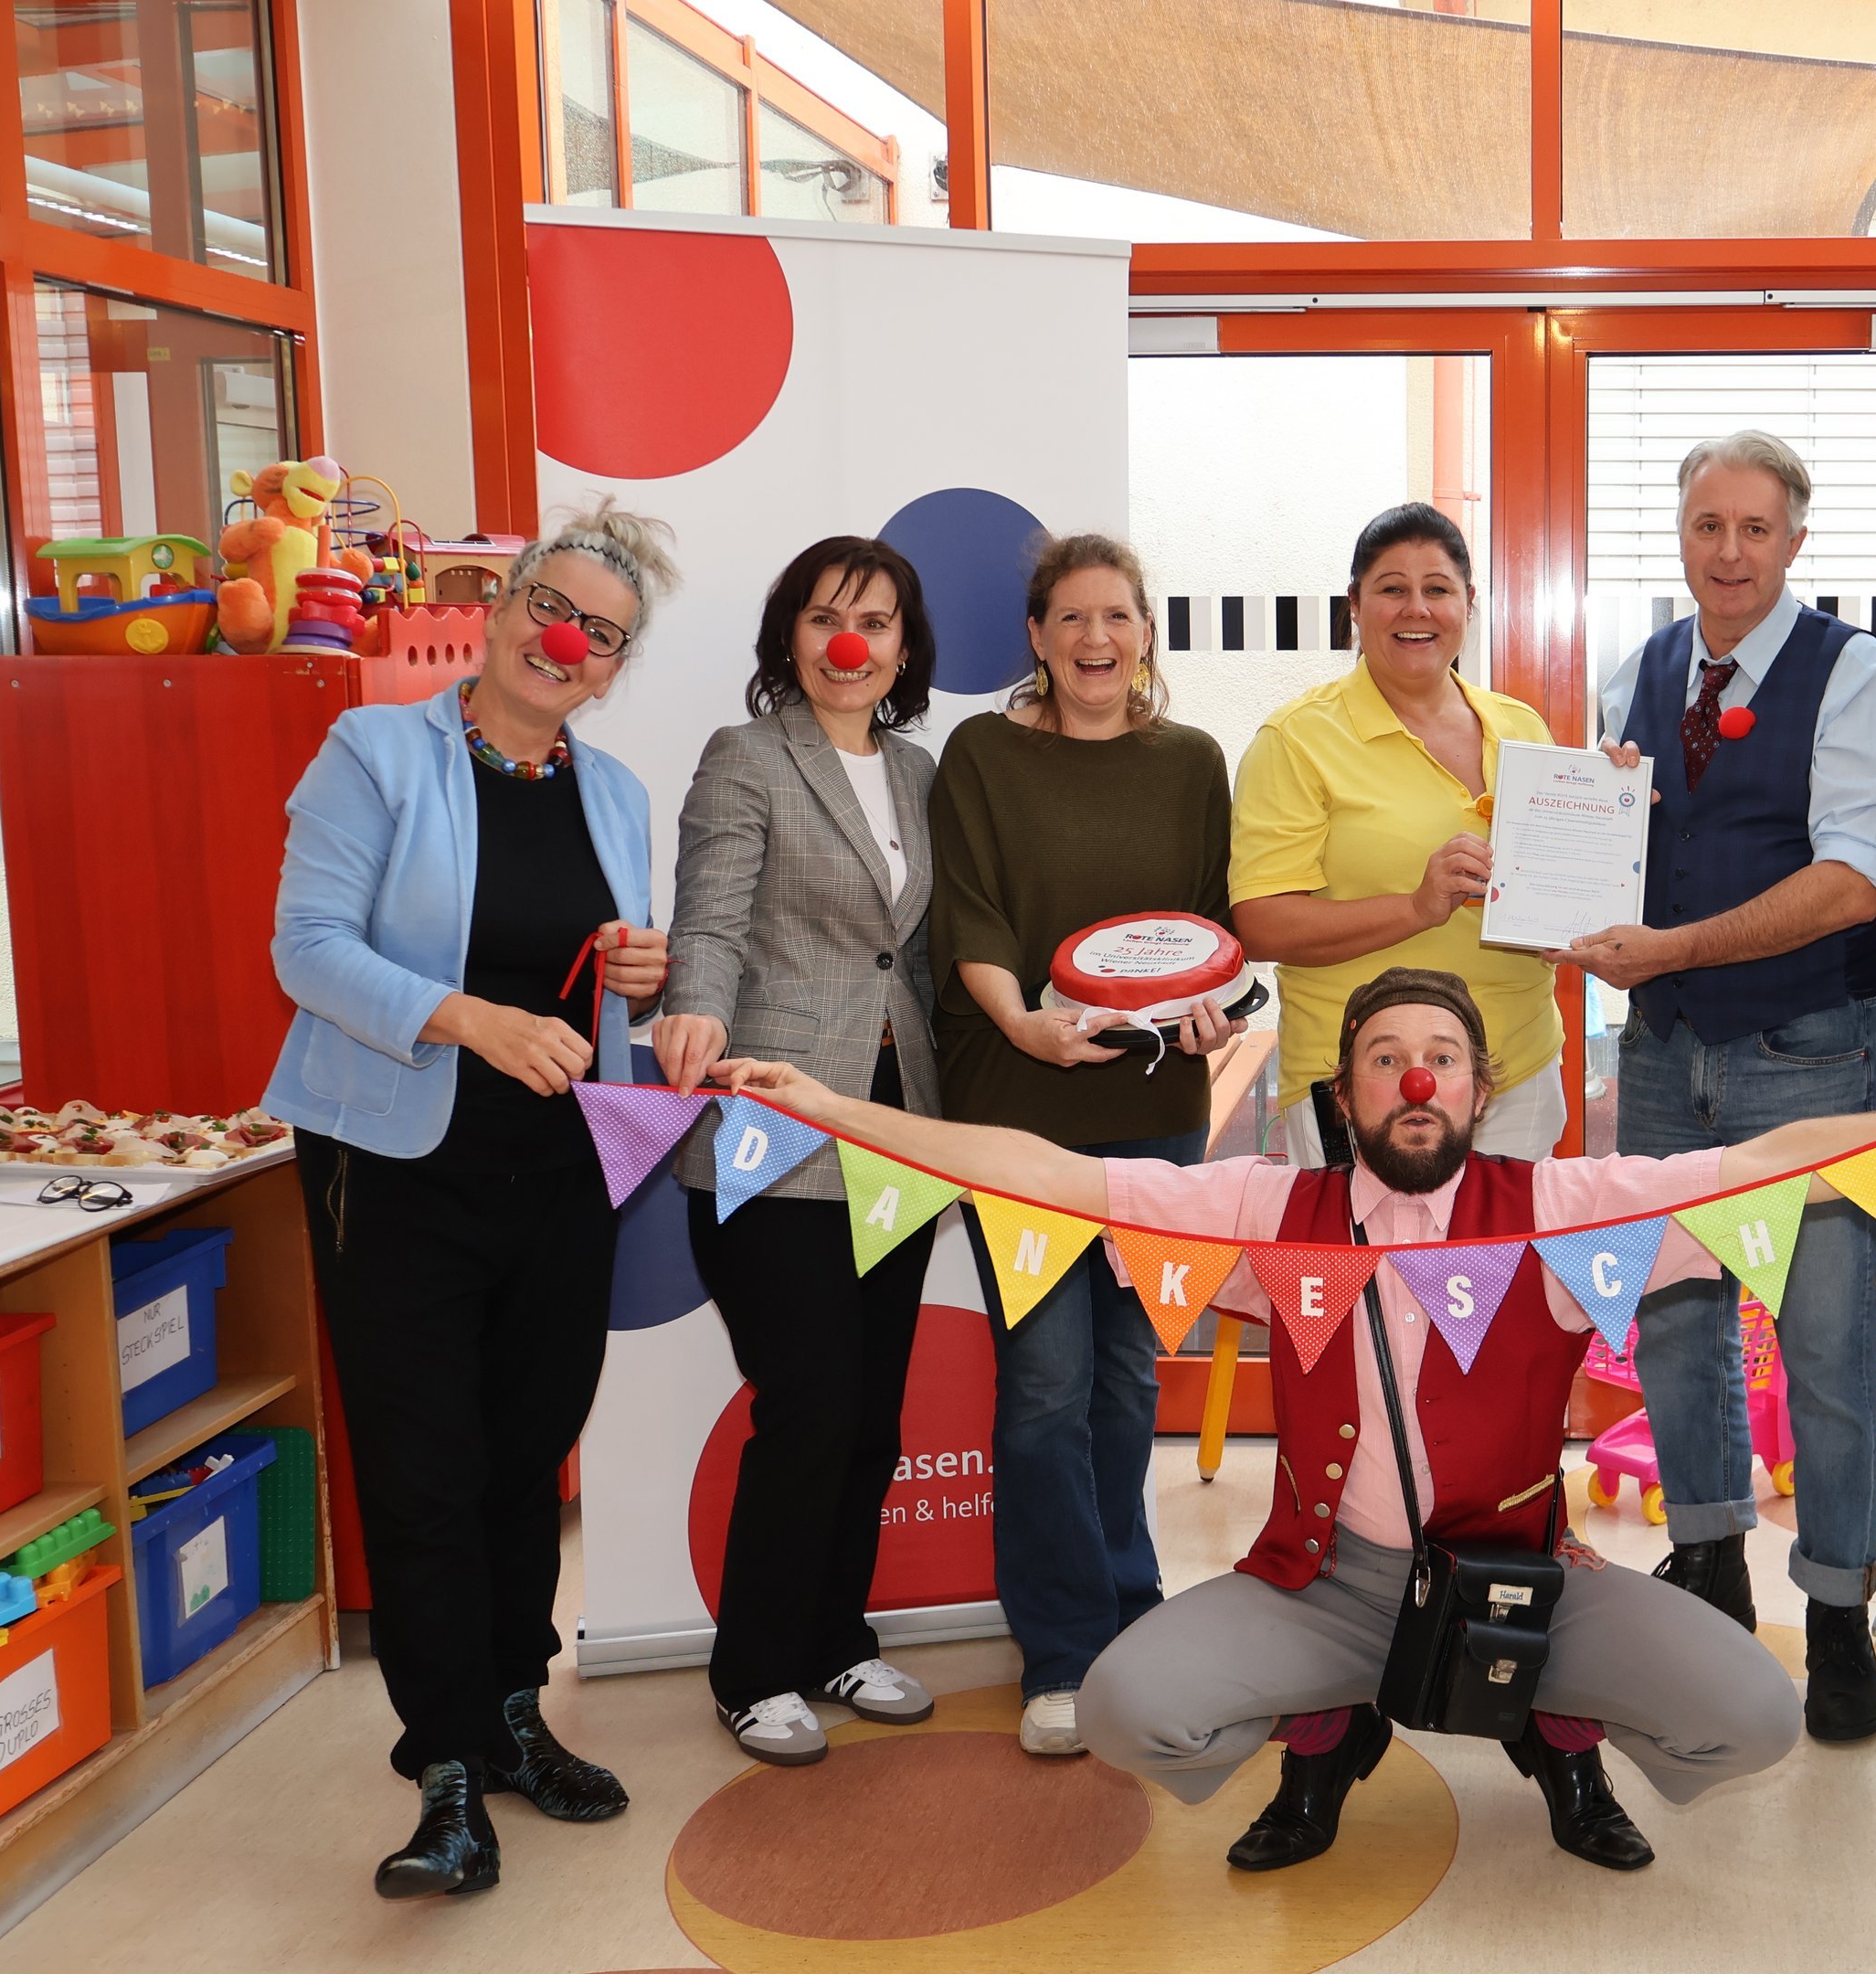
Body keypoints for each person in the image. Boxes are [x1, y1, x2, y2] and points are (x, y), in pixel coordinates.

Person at [710, 968, 1876, 1873]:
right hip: (1327, 1581)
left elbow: (1774, 1159)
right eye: (1386, 1059)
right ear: (1345, 1095)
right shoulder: (1269, 1208)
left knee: (1750, 1719)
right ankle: (1333, 1727)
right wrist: (837, 1109)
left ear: (1483, 1090)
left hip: (1524, 1578)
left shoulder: (1563, 1204)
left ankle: (1549, 1726)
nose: (1417, 1081)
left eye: (1442, 1056)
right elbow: (1043, 1171)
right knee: (1131, 1710)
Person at [265, 499, 676, 1898]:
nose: (568, 643)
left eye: (601, 635)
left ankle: (512, 1714)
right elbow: (308, 950)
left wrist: (639, 982)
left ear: (613, 670)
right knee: (426, 1470)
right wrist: (466, 1019)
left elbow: (609, 986)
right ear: (498, 615)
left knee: (522, 1458)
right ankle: (445, 1770)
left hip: (561, 1176)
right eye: (550, 609)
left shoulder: (614, 794)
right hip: (395, 1170)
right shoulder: (375, 752)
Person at [1557, 430, 1876, 1743]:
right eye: (1707, 526)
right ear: (1681, 536)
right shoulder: (1639, 674)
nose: (1729, 552)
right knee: (1674, 1327)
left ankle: (1835, 1615)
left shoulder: (1857, 676)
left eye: (1755, 529)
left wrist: (1668, 950)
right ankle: (1710, 1564)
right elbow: (1611, 850)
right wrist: (1570, 863)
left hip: (1806, 1055)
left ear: (1795, 541)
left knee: (1824, 1347)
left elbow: (1851, 884)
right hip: (1664, 1053)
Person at [927, 533, 1234, 1756]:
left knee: (1125, 1378)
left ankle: (1130, 1615)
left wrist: (1217, 1010)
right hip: (1018, 1107)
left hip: (1158, 1113)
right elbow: (970, 915)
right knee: (1046, 1388)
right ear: (1037, 637)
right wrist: (1024, 1026)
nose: (1095, 640)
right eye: (1070, 618)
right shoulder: (983, 753)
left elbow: (1208, 926)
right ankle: (1060, 1654)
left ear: (1146, 633)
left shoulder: (1193, 762)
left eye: (1116, 617)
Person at [651, 536, 947, 1767]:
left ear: (905, 647)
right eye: (827, 618)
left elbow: (917, 955)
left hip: (896, 1129)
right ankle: (755, 1669)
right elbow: (710, 921)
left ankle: (835, 1637)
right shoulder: (748, 757)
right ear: (790, 635)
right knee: (811, 1403)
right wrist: (694, 1010)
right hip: (769, 1124)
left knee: (871, 1413)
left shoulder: (922, 773)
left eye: (875, 622)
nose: (849, 643)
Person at [1230, 503, 1564, 1165]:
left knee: (1506, 1239)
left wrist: (1612, 814)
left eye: (1437, 589)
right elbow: (1262, 925)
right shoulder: (1297, 739)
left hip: (1515, 1070)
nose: (1417, 609)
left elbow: (1554, 896)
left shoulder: (1520, 727)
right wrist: (1416, 907)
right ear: (1356, 604)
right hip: (1362, 1079)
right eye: (1392, 589)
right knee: (1366, 1242)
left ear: (1468, 603)